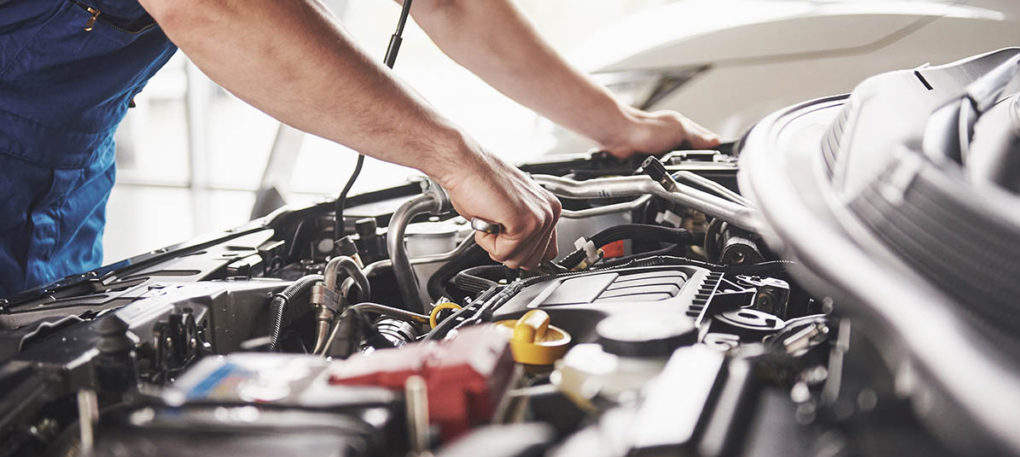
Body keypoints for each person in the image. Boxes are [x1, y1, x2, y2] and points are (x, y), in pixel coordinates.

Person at [0, 0, 718, 297]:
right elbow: (214, 7)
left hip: (60, 174)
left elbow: (449, 3)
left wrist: (619, 126)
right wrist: (455, 157)